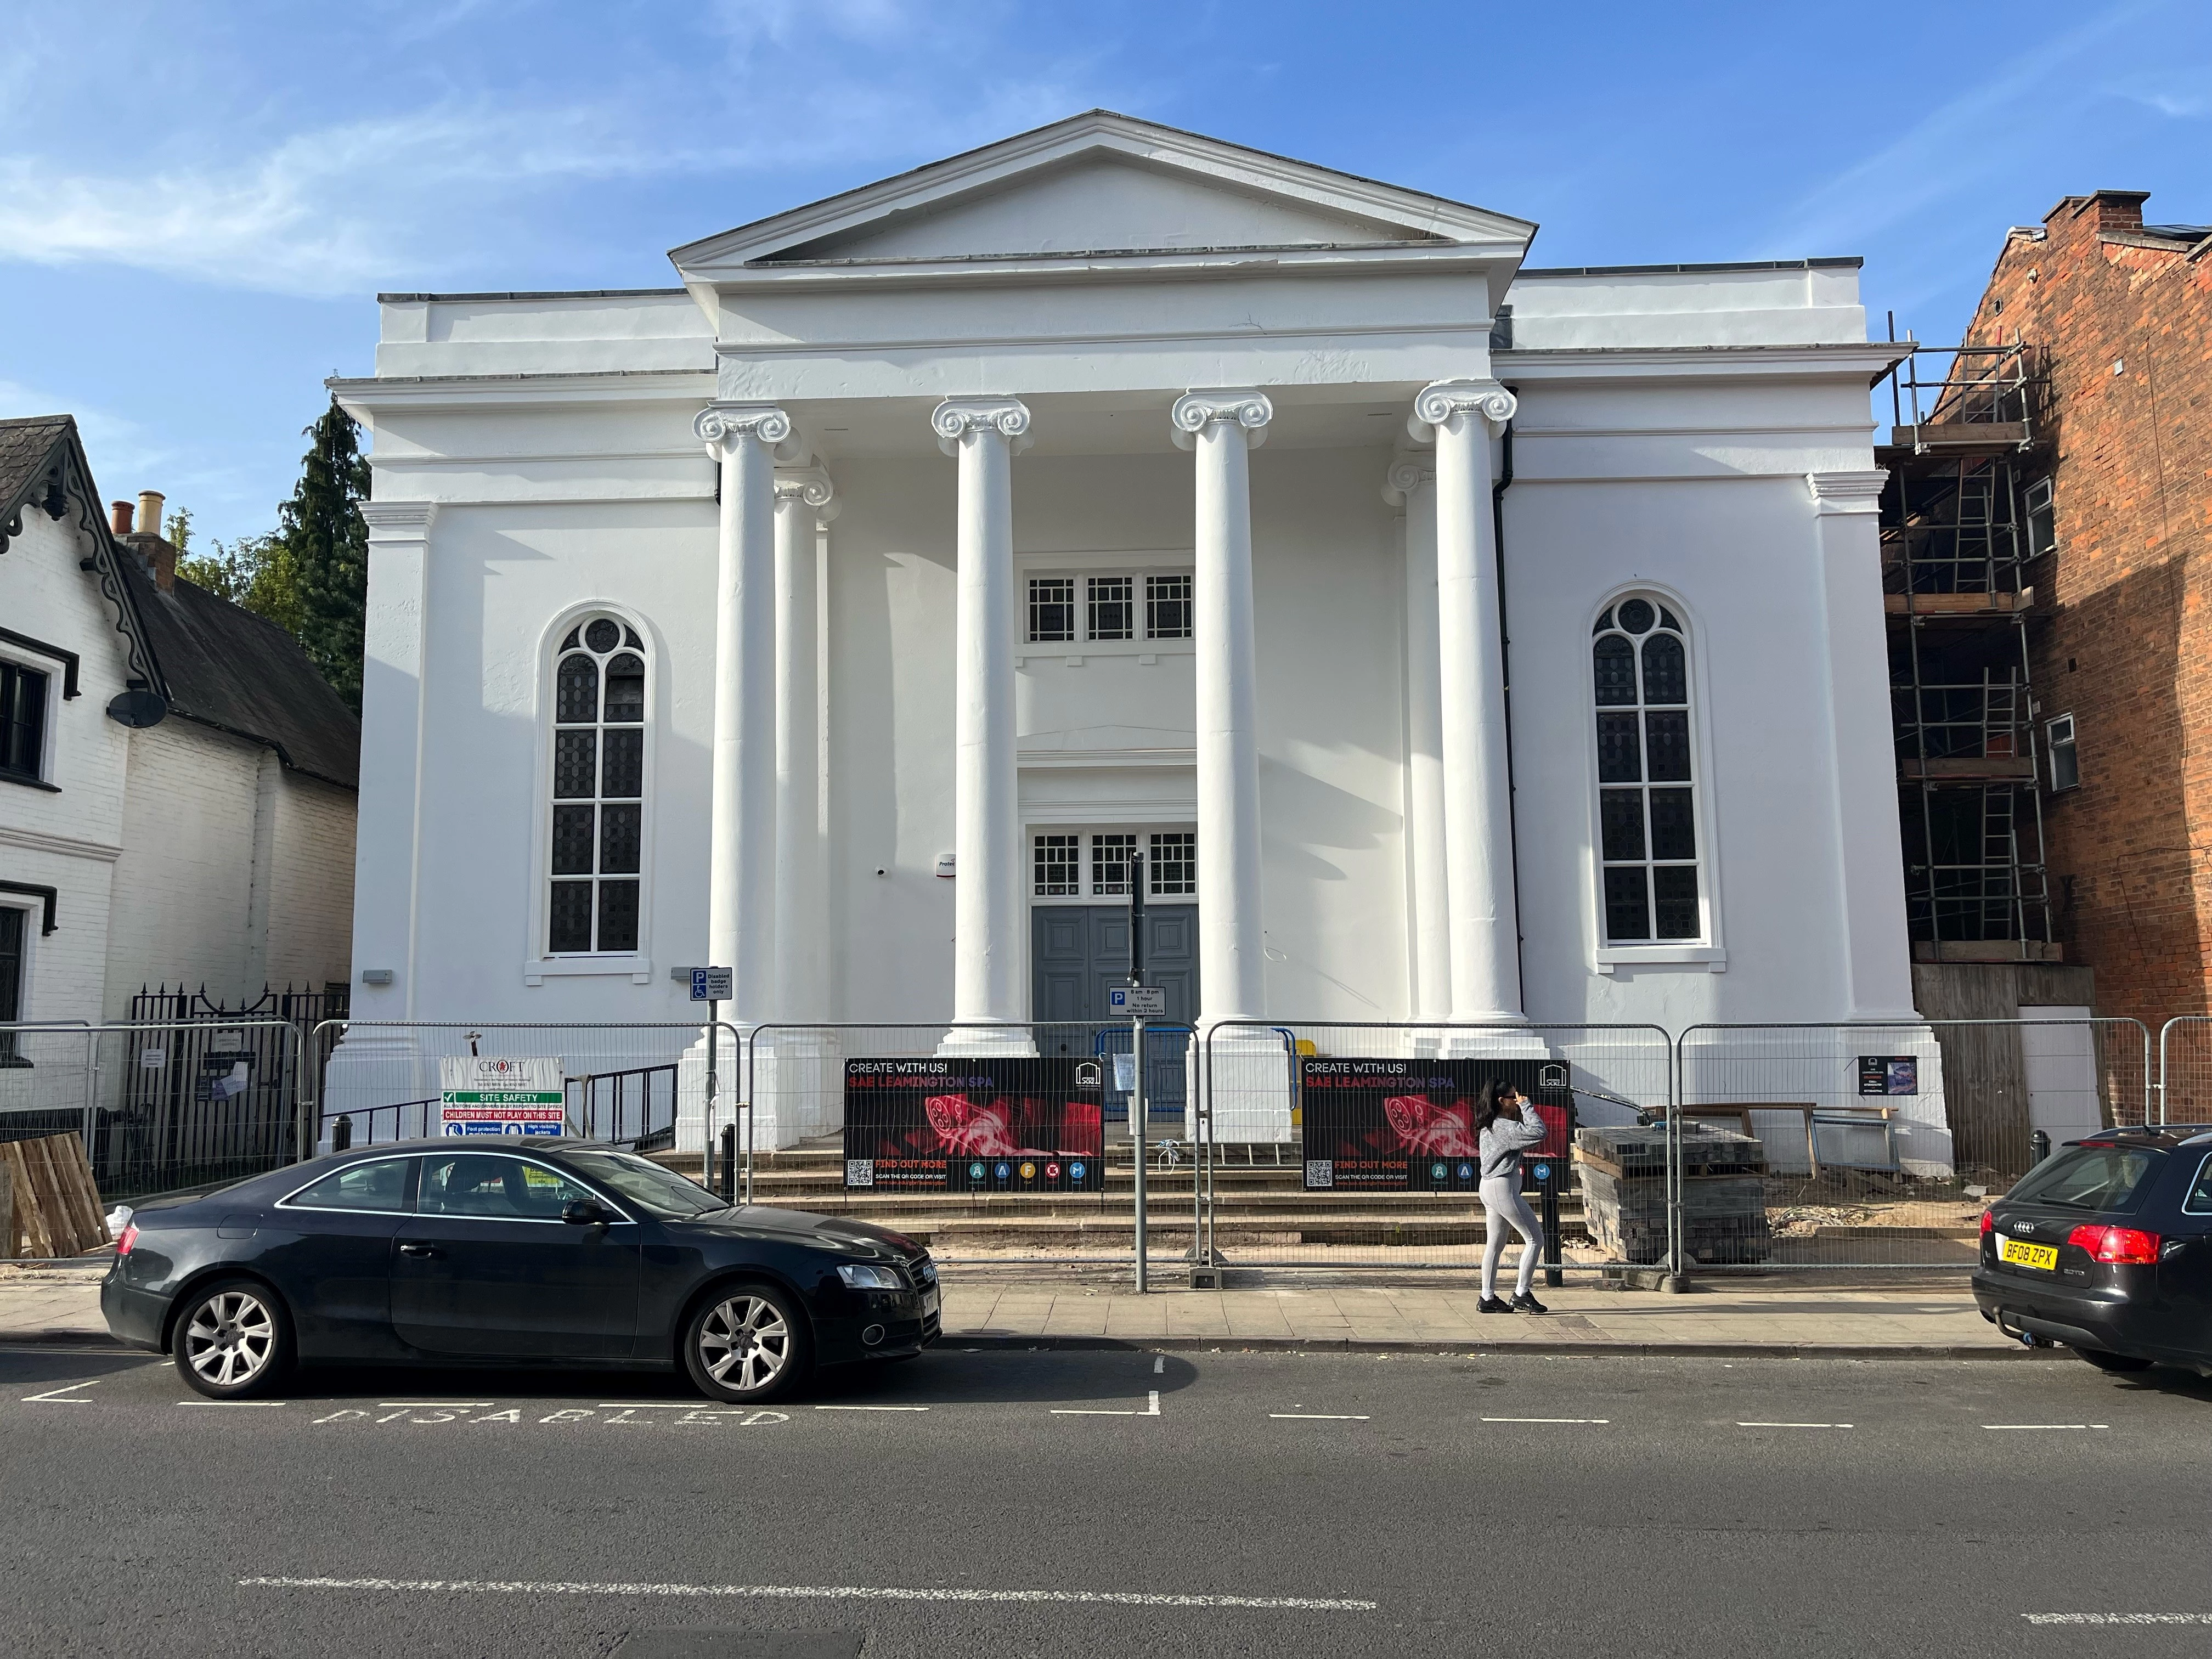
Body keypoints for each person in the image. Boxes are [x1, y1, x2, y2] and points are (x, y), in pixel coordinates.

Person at [1475, 1080, 1548, 1314]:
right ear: (1502, 1101)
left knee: (1494, 1246)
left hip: (1490, 1187)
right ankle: (1521, 1293)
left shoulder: (1491, 1125)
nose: (1518, 1100)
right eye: (1513, 1097)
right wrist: (1527, 1107)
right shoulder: (1505, 1127)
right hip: (1501, 1187)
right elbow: (1539, 1132)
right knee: (1535, 1239)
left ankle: (1487, 1298)